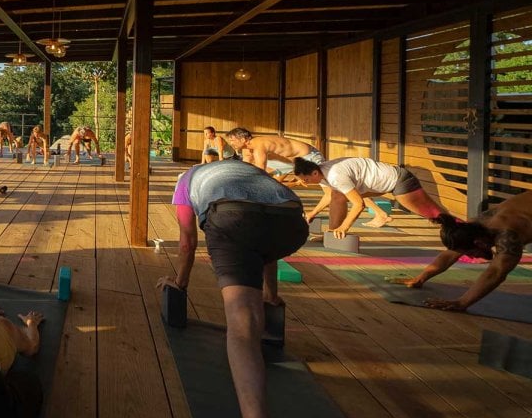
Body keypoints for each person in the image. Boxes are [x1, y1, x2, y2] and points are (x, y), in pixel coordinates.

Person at [163, 159, 307, 418]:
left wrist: (178, 285)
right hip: (291, 220)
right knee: (256, 237)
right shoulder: (247, 171)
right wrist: (271, 296)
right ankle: (264, 301)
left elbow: (187, 242)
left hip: (232, 217)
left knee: (242, 328)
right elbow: (264, 239)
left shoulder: (185, 182)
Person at [386, 191, 531, 311]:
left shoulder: (508, 235)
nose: (472, 257)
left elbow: (495, 273)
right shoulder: (473, 227)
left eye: (471, 253)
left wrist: (462, 302)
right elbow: (450, 254)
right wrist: (421, 278)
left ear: (479, 243)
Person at [225, 127, 389, 221]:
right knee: (337, 191)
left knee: (335, 190)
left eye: (232, 140)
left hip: (308, 157)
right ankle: (319, 218)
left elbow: (260, 168)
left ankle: (379, 214)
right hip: (292, 161)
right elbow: (247, 166)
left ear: (243, 138)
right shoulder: (247, 148)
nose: (230, 144)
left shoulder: (258, 143)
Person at [292, 157, 454, 238]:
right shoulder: (322, 173)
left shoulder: (334, 175)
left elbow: (359, 205)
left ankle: (464, 234)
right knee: (337, 195)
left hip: (398, 182)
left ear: (314, 172)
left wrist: (345, 227)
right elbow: (330, 198)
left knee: (434, 215)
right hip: (382, 183)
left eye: (306, 180)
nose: (306, 183)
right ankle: (332, 233)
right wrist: (313, 213)